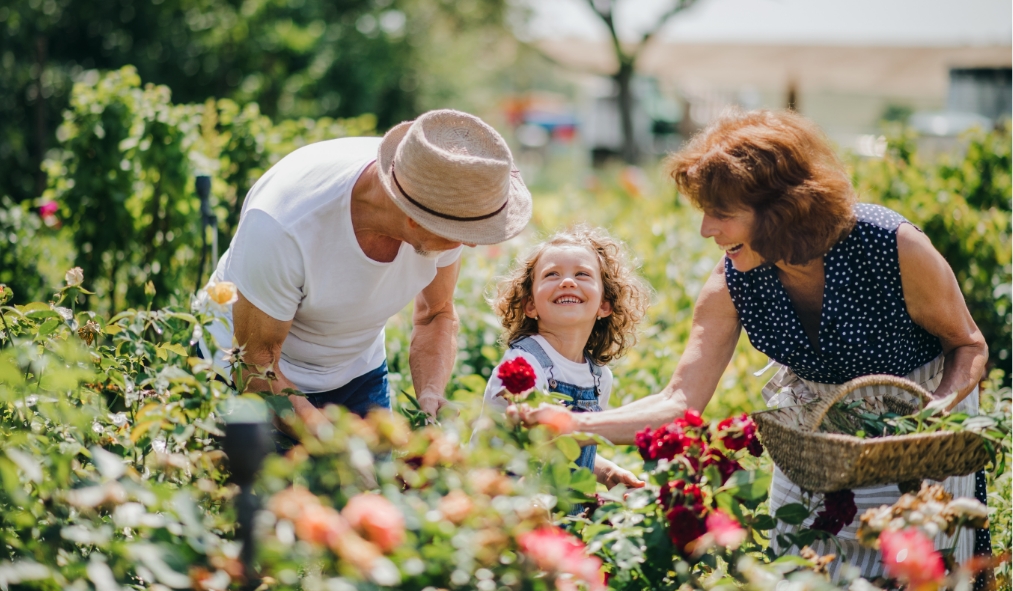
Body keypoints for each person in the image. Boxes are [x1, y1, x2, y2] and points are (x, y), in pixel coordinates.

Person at [517, 110, 989, 579]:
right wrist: (573, 424)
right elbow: (679, 401)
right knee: (801, 567)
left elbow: (968, 344)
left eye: (721, 213)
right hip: (815, 435)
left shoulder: (890, 245)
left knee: (912, 569)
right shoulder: (733, 282)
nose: (706, 229)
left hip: (917, 429)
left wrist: (929, 419)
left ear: (783, 209)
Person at [200, 109, 532, 434]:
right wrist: (332, 444)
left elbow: (436, 314)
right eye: (463, 235)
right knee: (261, 486)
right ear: (415, 219)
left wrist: (430, 392)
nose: (470, 245)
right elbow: (255, 362)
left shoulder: (445, 189)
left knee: (372, 488)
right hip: (252, 372)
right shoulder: (283, 225)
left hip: (356, 370)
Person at [481, 225, 650, 494]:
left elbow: (571, 447)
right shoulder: (523, 365)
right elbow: (527, 450)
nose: (567, 282)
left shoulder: (599, 378)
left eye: (582, 274)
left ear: (604, 305)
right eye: (552, 274)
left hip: (559, 511)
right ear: (531, 305)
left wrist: (605, 470)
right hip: (504, 501)